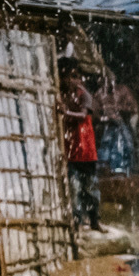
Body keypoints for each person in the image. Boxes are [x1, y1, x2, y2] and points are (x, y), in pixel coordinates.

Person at [58, 61, 100, 231]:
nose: (71, 80)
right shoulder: (62, 96)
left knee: (90, 188)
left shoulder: (84, 96)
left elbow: (83, 115)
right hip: (72, 151)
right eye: (68, 76)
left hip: (86, 151)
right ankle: (77, 222)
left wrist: (65, 112)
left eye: (75, 77)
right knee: (74, 189)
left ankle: (95, 221)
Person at [95, 71, 138, 177]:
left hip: (121, 123)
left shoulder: (122, 91)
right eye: (105, 82)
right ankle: (107, 169)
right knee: (106, 145)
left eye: (111, 81)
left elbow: (133, 108)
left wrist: (120, 109)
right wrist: (105, 118)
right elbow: (95, 114)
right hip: (106, 126)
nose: (109, 84)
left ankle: (125, 169)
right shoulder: (99, 95)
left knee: (126, 144)